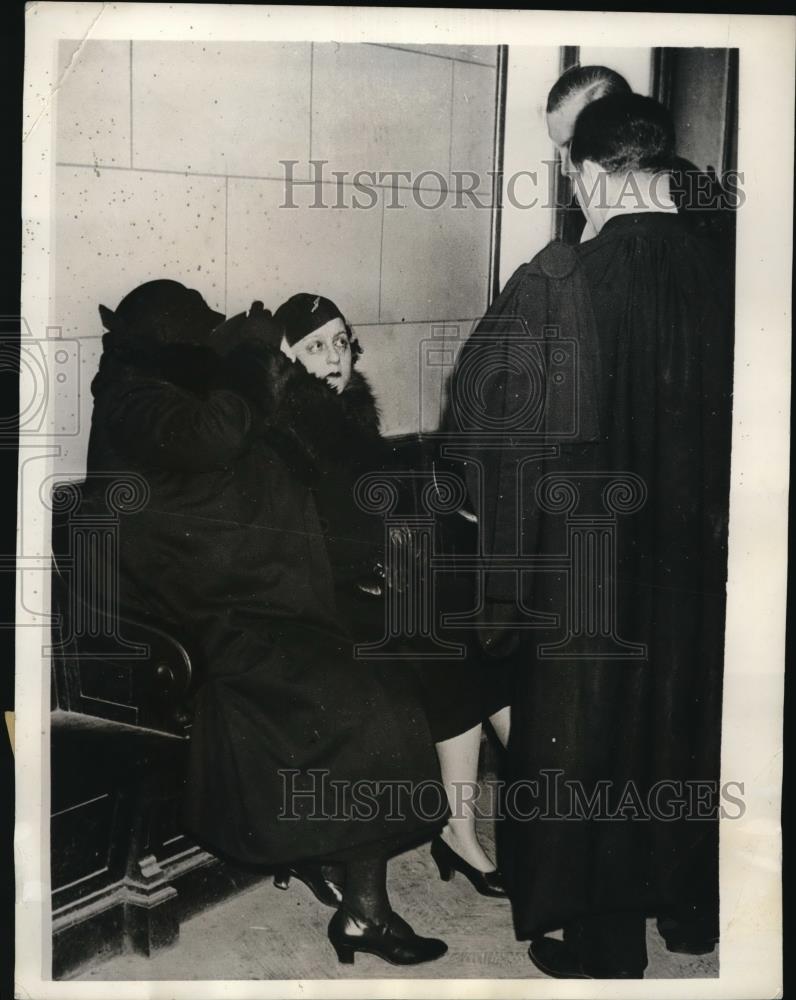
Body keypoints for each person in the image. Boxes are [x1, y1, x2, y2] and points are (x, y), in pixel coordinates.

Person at [82, 279, 448, 966]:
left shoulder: (162, 390)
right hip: (198, 620)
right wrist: (251, 356)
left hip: (252, 601)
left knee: (379, 699)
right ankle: (361, 909)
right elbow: (213, 439)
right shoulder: (132, 398)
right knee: (363, 705)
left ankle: (353, 889)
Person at [449, 94, 733, 978]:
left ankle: (607, 942)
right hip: (696, 558)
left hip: (587, 568)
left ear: (591, 174)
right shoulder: (732, 268)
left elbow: (479, 426)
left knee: (592, 738)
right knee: (685, 724)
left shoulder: (559, 280)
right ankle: (691, 911)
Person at [273, 293, 511, 899]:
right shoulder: (288, 427)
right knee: (457, 650)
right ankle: (469, 832)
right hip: (330, 604)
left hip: (383, 584)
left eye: (340, 340)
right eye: (315, 346)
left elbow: (382, 501)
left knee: (477, 646)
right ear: (286, 356)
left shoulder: (347, 412)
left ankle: (466, 831)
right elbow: (313, 536)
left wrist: (442, 511)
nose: (334, 357)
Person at [546, 64, 735, 248]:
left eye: (572, 145)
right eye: (559, 149)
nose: (564, 169)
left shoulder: (698, 198)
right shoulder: (578, 205)